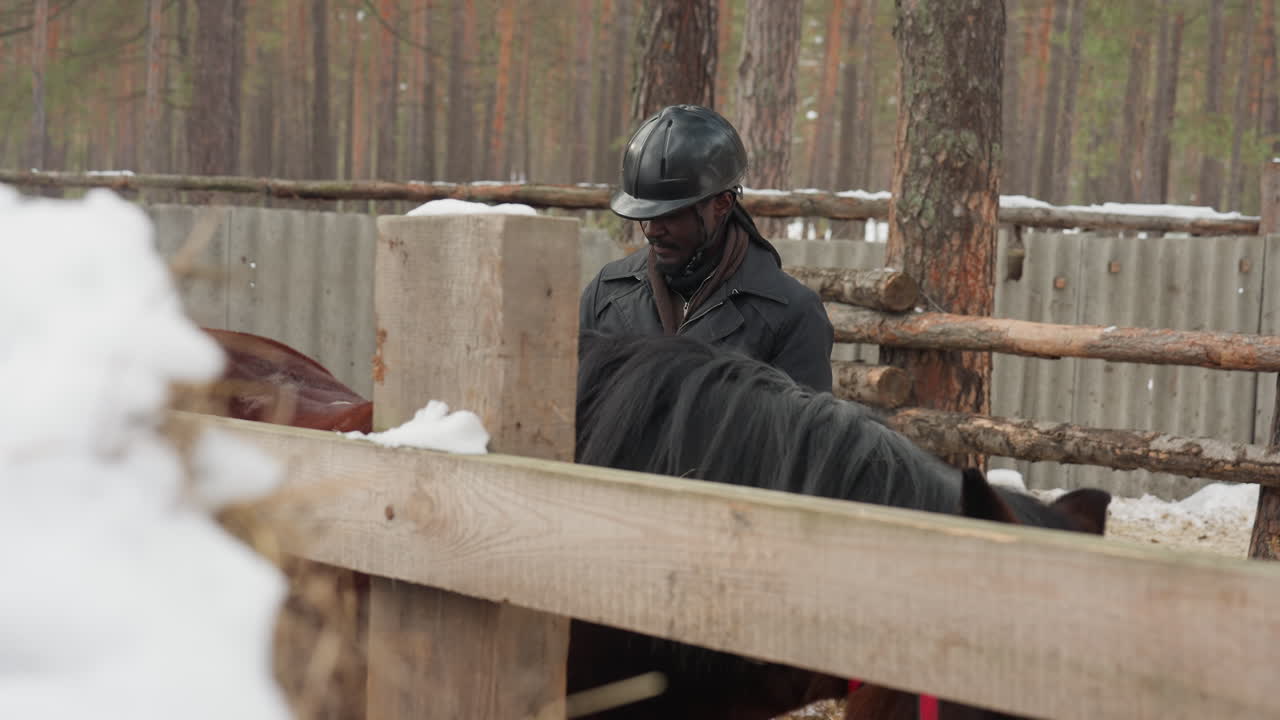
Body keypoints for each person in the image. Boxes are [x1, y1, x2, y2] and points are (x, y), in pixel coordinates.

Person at [579, 104, 834, 392]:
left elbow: (801, 436)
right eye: (645, 215)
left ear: (722, 204)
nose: (652, 230)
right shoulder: (607, 294)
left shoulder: (791, 315)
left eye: (670, 215)